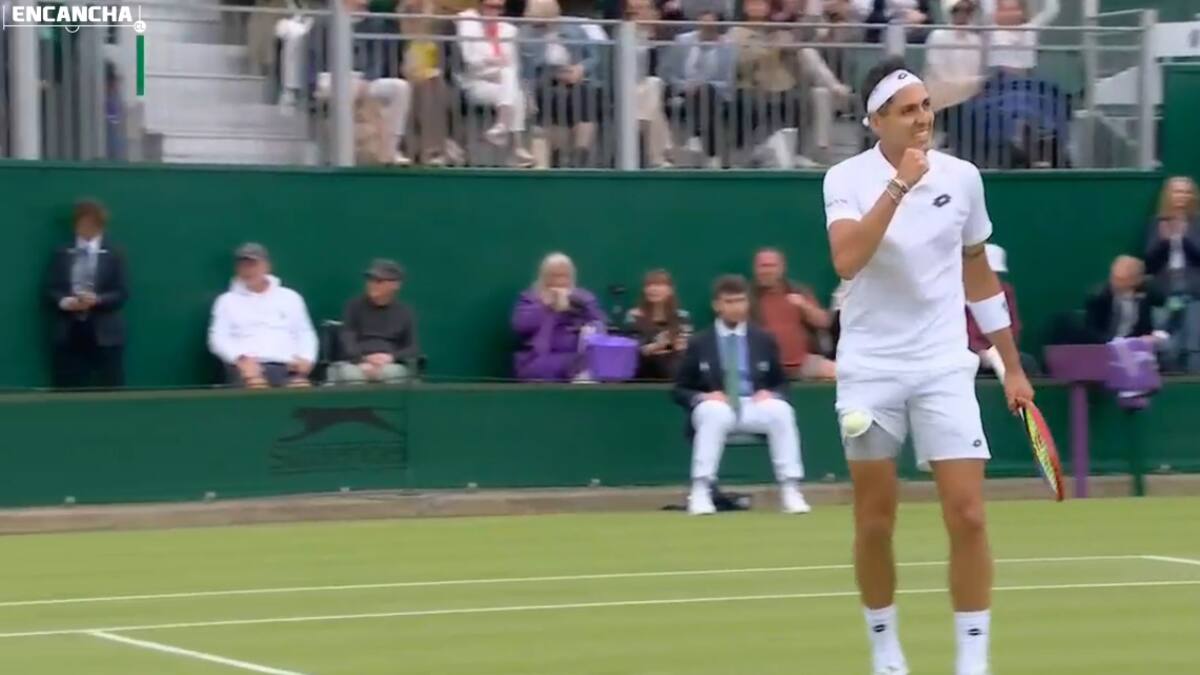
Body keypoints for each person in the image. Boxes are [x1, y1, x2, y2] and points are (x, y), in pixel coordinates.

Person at [822, 58, 1034, 675]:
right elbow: (846, 260)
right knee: (874, 522)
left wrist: (1011, 365)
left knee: (968, 515)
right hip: (870, 368)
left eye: (925, 106)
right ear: (876, 121)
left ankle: (972, 662)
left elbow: (978, 273)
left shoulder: (963, 178)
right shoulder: (845, 179)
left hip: (944, 364)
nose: (921, 119)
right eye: (907, 110)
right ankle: (886, 651)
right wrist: (899, 187)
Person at [672, 274, 810, 515]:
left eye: (740, 301)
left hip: (753, 404)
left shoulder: (763, 339)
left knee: (781, 411)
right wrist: (703, 397)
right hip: (716, 405)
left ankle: (790, 489)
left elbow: (782, 383)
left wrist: (771, 393)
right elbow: (679, 389)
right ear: (717, 305)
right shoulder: (700, 342)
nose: (736, 307)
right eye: (729, 302)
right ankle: (701, 490)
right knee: (714, 412)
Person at [44, 199, 129, 389]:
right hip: (69, 331)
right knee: (68, 385)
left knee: (111, 385)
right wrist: (66, 302)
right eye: (82, 223)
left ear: (101, 225)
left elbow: (122, 293)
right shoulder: (61, 253)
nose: (87, 228)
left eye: (92, 223)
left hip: (105, 334)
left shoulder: (115, 253)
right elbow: (51, 289)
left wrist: (97, 299)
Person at [208, 243, 318, 388]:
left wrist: (306, 359)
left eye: (253, 265)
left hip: (288, 366)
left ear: (266, 266)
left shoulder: (291, 297)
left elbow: (305, 333)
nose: (248, 270)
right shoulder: (226, 301)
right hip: (248, 369)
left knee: (301, 388)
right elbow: (217, 338)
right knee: (257, 387)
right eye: (243, 266)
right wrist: (240, 360)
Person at [521, 0, 604, 167]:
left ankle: (579, 157)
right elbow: (531, 66)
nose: (526, 16)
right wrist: (555, 71)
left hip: (577, 77)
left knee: (586, 97)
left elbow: (594, 56)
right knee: (552, 97)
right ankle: (558, 155)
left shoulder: (573, 28)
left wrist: (580, 68)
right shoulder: (526, 33)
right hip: (545, 81)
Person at [455, 0, 536, 167]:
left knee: (512, 83)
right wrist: (494, 65)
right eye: (490, 6)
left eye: (499, 8)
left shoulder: (509, 30)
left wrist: (494, 66)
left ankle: (502, 127)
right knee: (513, 88)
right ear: (480, 6)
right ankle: (516, 146)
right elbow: (470, 61)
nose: (494, 12)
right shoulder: (468, 24)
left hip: (501, 84)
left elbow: (513, 64)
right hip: (476, 83)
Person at [512, 252, 607, 381]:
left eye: (564, 276)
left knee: (593, 363)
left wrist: (577, 305)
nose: (559, 281)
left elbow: (600, 323)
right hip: (538, 360)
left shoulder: (583, 298)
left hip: (578, 357)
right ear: (544, 277)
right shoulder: (530, 298)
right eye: (554, 276)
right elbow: (520, 325)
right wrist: (546, 307)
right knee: (575, 365)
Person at [661, 10, 734, 168]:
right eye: (702, 25)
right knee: (702, 100)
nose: (706, 29)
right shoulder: (682, 41)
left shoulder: (728, 46)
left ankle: (695, 136)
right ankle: (713, 155)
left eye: (711, 26)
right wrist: (684, 85)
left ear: (719, 27)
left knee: (705, 92)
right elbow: (667, 72)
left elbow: (728, 81)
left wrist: (702, 85)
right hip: (683, 90)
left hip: (715, 94)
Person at [750, 248, 836, 380]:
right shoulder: (749, 297)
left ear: (781, 268)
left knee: (841, 372)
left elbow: (824, 322)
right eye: (763, 266)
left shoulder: (798, 290)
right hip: (764, 366)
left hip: (802, 362)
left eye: (771, 266)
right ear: (755, 269)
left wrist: (804, 306)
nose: (767, 271)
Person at [331, 259, 420, 384]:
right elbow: (347, 339)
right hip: (357, 362)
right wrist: (363, 359)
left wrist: (391, 357)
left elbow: (412, 347)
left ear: (395, 285)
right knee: (352, 375)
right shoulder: (353, 306)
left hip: (389, 363)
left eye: (378, 281)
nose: (372, 285)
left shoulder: (405, 312)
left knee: (392, 374)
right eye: (370, 280)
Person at [1145, 176, 1200, 373]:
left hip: (1194, 290)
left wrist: (1184, 238)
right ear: (1168, 195)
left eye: (1186, 192)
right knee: (1166, 342)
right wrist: (1165, 241)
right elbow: (1150, 263)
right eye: (1177, 191)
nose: (1182, 196)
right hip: (1164, 290)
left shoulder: (1198, 223)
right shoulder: (1156, 223)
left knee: (1193, 342)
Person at [624, 269, 694, 380]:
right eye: (649, 285)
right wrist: (658, 345)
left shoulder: (682, 317)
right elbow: (633, 350)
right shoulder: (633, 316)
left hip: (672, 369)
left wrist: (674, 346)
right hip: (642, 370)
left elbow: (685, 347)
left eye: (659, 285)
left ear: (670, 290)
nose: (653, 289)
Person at [1083, 255, 1165, 345]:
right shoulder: (1098, 297)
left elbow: (1152, 325)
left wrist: (1154, 336)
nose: (1116, 283)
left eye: (1122, 280)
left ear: (1137, 280)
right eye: (1114, 278)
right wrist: (1114, 342)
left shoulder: (1147, 294)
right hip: (1106, 345)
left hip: (1136, 345)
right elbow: (1091, 332)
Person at [966, 243, 1021, 375]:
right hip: (965, 352)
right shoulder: (957, 292)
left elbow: (1014, 327)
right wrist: (978, 351)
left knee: (1027, 363)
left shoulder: (1006, 291)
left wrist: (1002, 350)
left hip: (998, 351)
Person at [923, 0, 985, 110]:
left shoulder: (976, 40)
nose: (962, 14)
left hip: (968, 98)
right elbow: (940, 74)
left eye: (967, 10)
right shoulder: (938, 36)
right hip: (941, 97)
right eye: (957, 10)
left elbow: (975, 72)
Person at [982, 0, 1059, 74]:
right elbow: (988, 9)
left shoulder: (1030, 28)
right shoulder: (992, 29)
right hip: (998, 79)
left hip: (1024, 79)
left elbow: (1051, 10)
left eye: (1013, 9)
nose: (1010, 14)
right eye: (1005, 10)